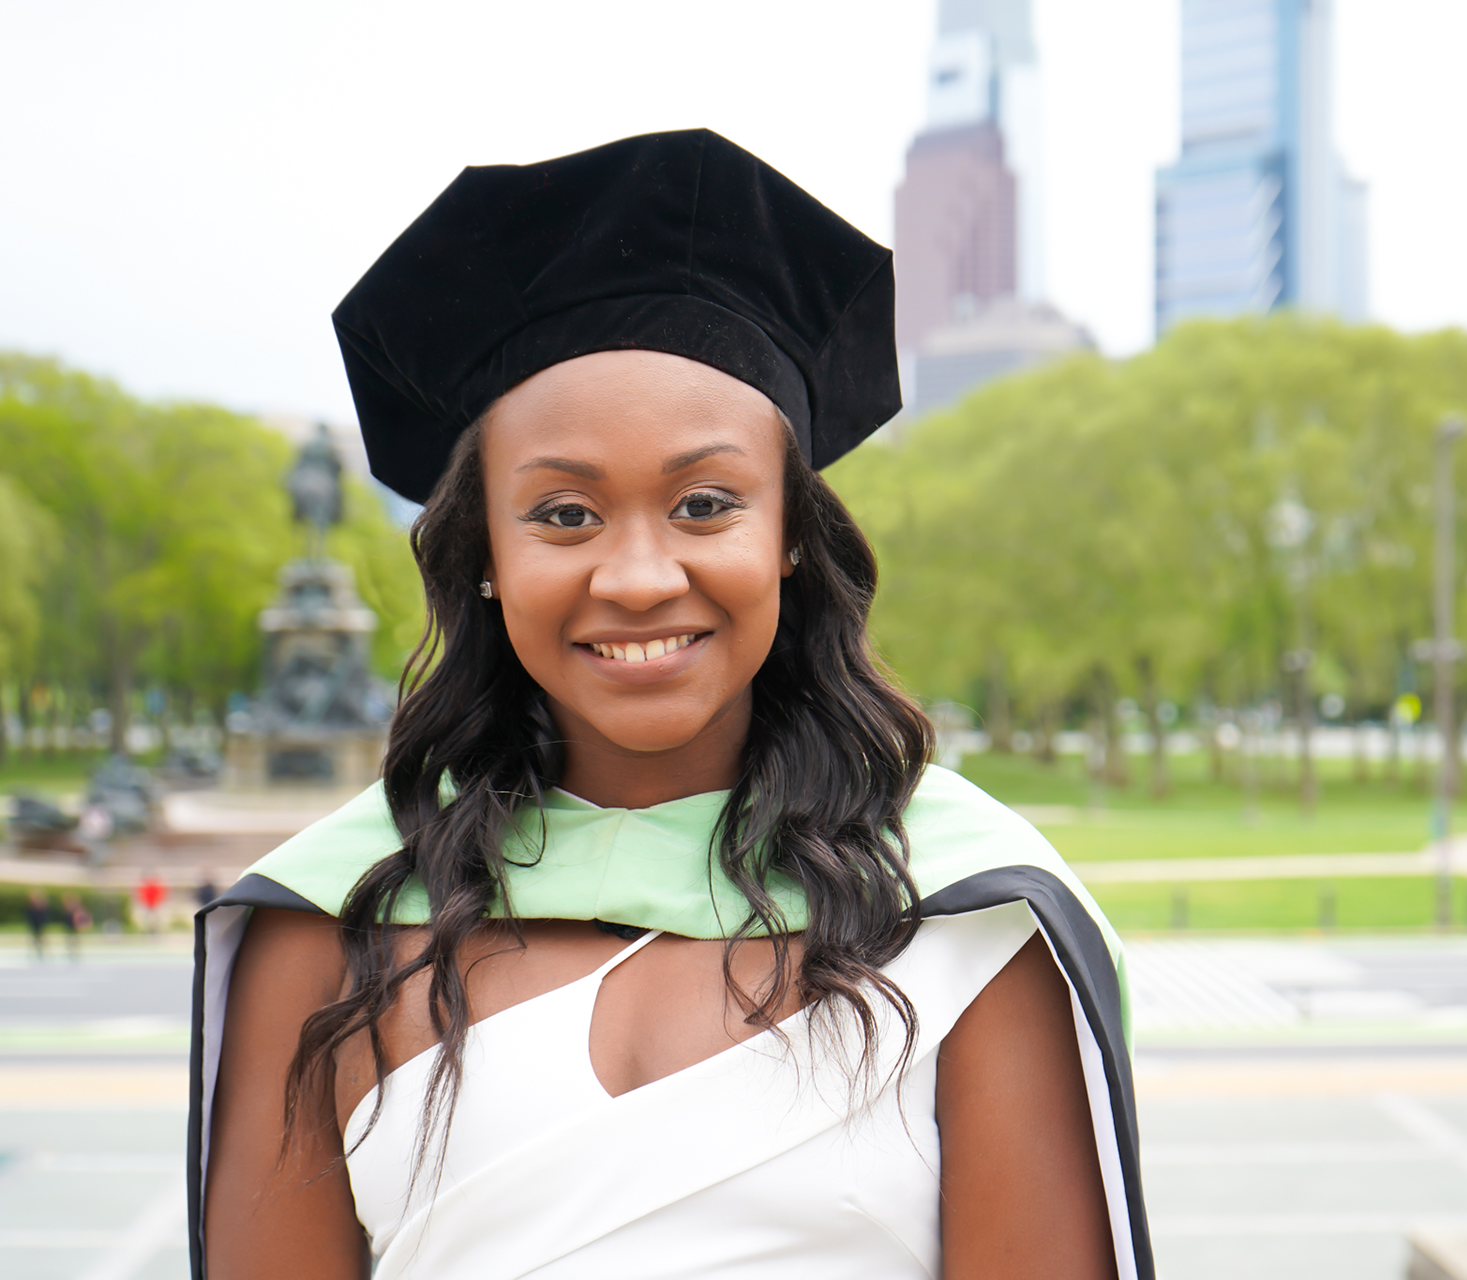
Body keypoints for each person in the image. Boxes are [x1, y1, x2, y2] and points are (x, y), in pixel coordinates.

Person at [191, 131, 1147, 1280]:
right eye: (563, 513)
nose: (638, 576)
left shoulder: (966, 913)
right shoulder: (324, 929)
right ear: (482, 548)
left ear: (788, 532)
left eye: (704, 502)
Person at [24, 889, 50, 960]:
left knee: (40, 939)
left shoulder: (42, 910)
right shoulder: (32, 910)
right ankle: (35, 953)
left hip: (40, 925)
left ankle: (42, 953)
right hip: (35, 925)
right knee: (35, 939)